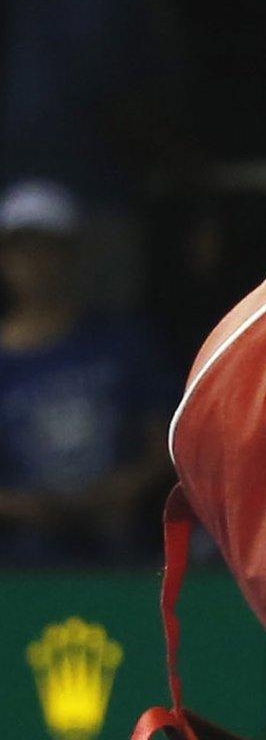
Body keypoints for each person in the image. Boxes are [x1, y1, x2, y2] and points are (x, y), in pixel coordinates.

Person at [1, 0, 202, 309]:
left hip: (53, 160)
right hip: (73, 170)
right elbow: (100, 68)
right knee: (80, 323)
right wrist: (172, 155)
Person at [0, 181, 178, 564]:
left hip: (121, 546)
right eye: (22, 250)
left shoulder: (123, 343)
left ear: (72, 255)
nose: (35, 263)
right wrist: (20, 507)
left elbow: (168, 438)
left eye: (49, 249)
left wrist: (123, 489)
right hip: (16, 559)